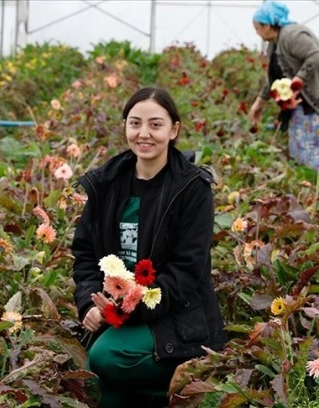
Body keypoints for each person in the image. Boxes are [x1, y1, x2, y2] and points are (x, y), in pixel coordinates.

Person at [71, 87, 226, 407]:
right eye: (135, 123)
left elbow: (185, 273)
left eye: (155, 124)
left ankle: (178, 391)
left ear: (174, 130)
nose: (144, 133)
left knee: (105, 358)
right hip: (115, 308)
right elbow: (85, 252)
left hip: (174, 311)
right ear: (125, 126)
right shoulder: (107, 183)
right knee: (95, 377)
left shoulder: (192, 189)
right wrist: (89, 304)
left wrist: (123, 309)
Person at [247, 1, 319, 174]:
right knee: (300, 147)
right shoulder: (274, 43)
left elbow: (315, 55)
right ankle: (306, 189)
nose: (256, 33)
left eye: (257, 28)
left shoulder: (292, 35)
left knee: (318, 150)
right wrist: (260, 101)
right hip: (304, 101)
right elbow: (275, 77)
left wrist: (298, 80)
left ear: (267, 25)